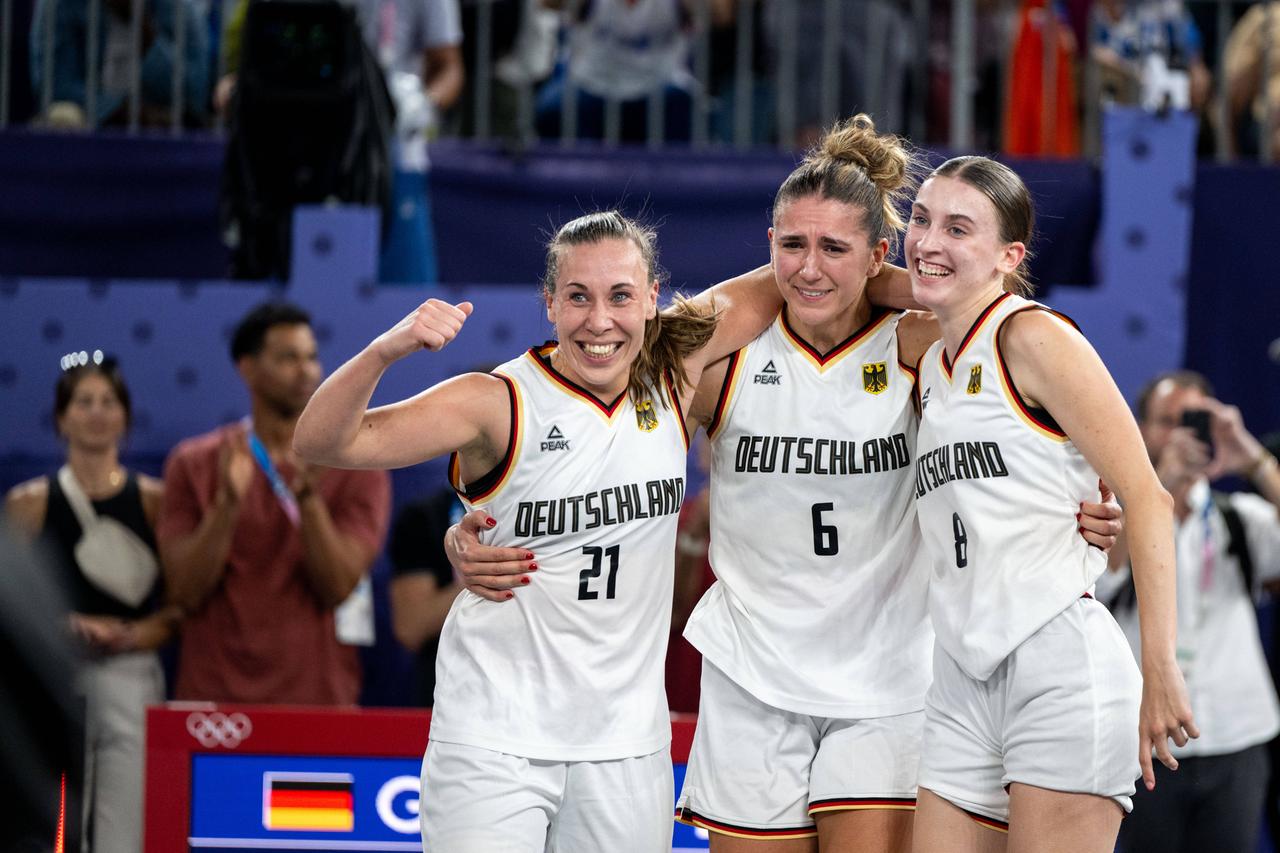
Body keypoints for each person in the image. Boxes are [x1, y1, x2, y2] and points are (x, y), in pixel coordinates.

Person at [441, 118, 1123, 853]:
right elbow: (595, 429)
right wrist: (474, 526)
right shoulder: (722, 353)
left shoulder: (918, 340)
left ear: (877, 253)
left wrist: (1079, 501)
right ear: (768, 243)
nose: (809, 267)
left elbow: (1019, 420)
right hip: (751, 677)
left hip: (885, 677)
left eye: (834, 248)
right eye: (792, 245)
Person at [291, 209, 813, 850]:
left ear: (652, 298)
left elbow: (799, 268)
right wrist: (386, 349)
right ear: (549, 304)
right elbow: (319, 442)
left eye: (621, 295)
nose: (600, 320)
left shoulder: (673, 376)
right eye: (577, 297)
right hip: (494, 739)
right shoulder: (498, 401)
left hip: (625, 747)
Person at [905, 155, 1196, 852]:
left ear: (1010, 256)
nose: (929, 240)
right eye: (920, 219)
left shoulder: (1033, 336)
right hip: (959, 676)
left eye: (958, 227)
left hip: (1058, 667)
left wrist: (1160, 666)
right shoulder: (924, 355)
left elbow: (1147, 498)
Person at [156, 302, 391, 705]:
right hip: (213, 700)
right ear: (247, 368)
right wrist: (226, 505)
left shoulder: (357, 465)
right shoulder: (193, 463)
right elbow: (182, 593)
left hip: (317, 699)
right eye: (288, 359)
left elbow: (338, 587)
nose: (307, 372)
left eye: (311, 357)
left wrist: (308, 500)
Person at [1100, 371, 1280, 853]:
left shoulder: (1239, 517)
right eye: (1166, 421)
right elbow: (1100, 581)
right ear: (1139, 429)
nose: (1181, 433)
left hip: (1238, 736)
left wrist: (1254, 459)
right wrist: (1159, 485)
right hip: (1142, 743)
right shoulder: (1107, 514)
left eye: (1193, 420)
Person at [4, 355, 177, 853]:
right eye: (84, 403)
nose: (97, 413)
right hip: (56, 674)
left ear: (125, 415)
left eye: (108, 402)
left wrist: (134, 635)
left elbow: (181, 603)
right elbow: (12, 607)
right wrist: (64, 626)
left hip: (132, 676)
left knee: (126, 827)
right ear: (62, 417)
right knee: (53, 824)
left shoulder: (154, 501)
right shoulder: (29, 503)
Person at [29, 0, 209, 128]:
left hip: (162, 139)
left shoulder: (178, 8)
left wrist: (143, 30)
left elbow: (194, 93)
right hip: (87, 134)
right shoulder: (60, 5)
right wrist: (124, 111)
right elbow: (54, 86)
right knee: (62, 115)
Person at [387, 486, 466, 707]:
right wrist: (484, 573)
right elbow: (410, 627)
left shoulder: (551, 519)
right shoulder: (424, 517)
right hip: (448, 699)